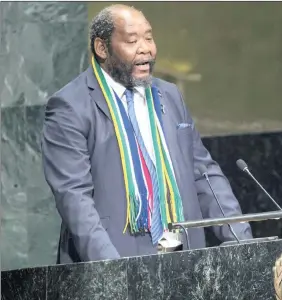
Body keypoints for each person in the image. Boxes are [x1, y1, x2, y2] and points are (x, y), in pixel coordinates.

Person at [41, 4, 252, 264]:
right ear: (102, 48)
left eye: (149, 38)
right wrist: (113, 269)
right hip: (114, 260)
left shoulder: (170, 95)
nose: (146, 49)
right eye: (132, 40)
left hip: (184, 258)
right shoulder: (70, 106)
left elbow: (204, 173)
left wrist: (242, 242)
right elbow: (74, 198)